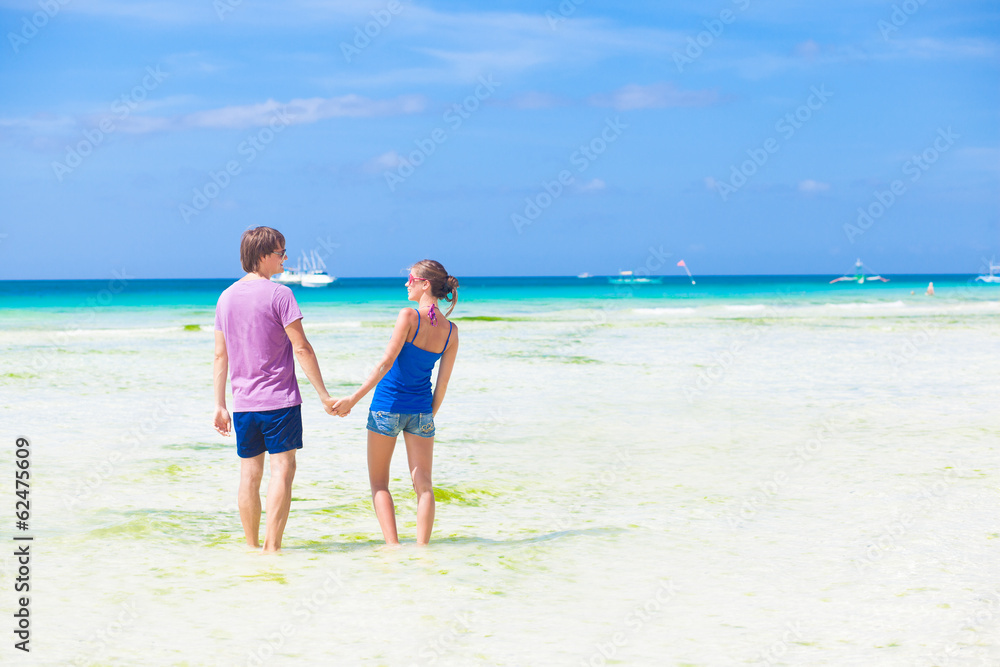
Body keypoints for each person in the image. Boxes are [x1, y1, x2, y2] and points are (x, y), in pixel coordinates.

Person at [213, 227, 336, 553]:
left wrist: (219, 404)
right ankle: (273, 548)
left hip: (243, 405)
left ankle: (252, 547)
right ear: (264, 255)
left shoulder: (225, 297)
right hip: (279, 402)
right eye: (281, 252)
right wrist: (324, 395)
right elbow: (302, 348)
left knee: (249, 475)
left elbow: (219, 355)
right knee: (282, 470)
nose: (285, 258)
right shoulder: (280, 295)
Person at [332, 260, 460, 546]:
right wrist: (426, 417)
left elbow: (386, 363)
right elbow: (442, 385)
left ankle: (393, 548)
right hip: (422, 411)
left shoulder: (408, 316)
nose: (407, 283)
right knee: (424, 487)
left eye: (411, 278)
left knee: (379, 485)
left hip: (386, 408)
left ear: (425, 284)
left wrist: (352, 398)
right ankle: (423, 549)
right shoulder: (451, 332)